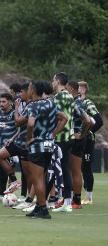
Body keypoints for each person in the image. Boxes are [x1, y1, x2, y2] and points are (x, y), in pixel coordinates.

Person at [25, 81, 67, 219]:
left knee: (36, 179)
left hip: (37, 146)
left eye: (29, 88)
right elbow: (64, 119)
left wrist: (28, 139)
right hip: (49, 145)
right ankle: (38, 208)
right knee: (41, 178)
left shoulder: (33, 105)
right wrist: (53, 134)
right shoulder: (50, 103)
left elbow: (30, 123)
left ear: (32, 91)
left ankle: (44, 210)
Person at [51, 72, 75, 213]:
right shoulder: (69, 96)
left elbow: (58, 117)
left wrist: (52, 134)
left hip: (60, 138)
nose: (52, 82)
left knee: (53, 170)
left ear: (58, 81)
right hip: (69, 138)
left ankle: (39, 202)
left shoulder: (59, 96)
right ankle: (67, 202)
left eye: (53, 80)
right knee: (65, 170)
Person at [65, 80, 91, 209]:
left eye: (66, 88)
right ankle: (70, 199)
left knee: (75, 170)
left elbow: (88, 121)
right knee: (70, 169)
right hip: (74, 138)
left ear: (70, 89)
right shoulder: (76, 101)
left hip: (77, 139)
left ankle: (77, 200)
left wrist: (80, 134)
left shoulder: (77, 102)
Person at [78, 81, 103, 205]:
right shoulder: (75, 103)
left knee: (86, 167)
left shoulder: (87, 103)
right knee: (78, 167)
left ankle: (89, 197)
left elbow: (99, 120)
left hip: (87, 141)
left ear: (82, 90)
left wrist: (88, 132)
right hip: (77, 139)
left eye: (77, 88)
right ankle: (75, 195)